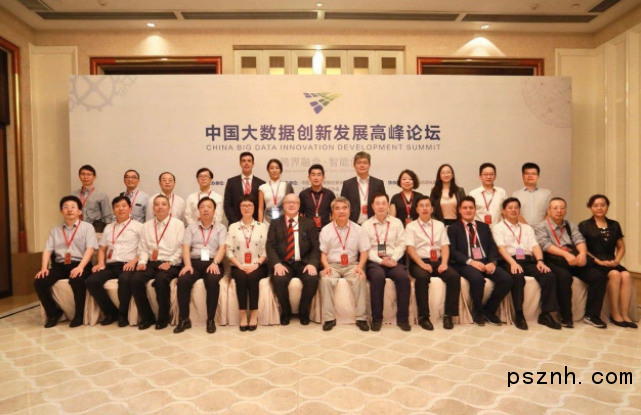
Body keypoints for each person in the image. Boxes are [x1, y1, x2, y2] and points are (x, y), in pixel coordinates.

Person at [534, 197, 608, 329]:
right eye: (555, 208)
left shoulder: (570, 225)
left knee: (599, 277)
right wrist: (565, 254)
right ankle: (566, 316)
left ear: (565, 210)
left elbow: (579, 240)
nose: (559, 211)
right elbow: (545, 245)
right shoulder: (541, 226)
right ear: (549, 211)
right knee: (564, 277)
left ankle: (592, 315)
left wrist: (582, 254)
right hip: (553, 259)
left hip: (573, 259)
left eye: (562, 208)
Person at [493, 197, 560, 330]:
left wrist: (540, 261)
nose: (513, 210)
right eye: (510, 208)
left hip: (528, 260)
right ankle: (519, 314)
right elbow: (501, 248)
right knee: (518, 276)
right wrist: (513, 263)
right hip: (509, 261)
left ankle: (545, 314)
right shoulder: (498, 228)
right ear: (503, 211)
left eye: (516, 207)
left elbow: (535, 246)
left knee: (549, 275)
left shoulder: (527, 228)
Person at [447, 196, 512, 326]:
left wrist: (492, 262)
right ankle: (477, 311)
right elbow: (453, 251)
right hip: (465, 263)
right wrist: (471, 262)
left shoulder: (484, 227)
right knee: (477, 279)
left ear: (475, 209)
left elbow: (492, 246)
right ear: (459, 210)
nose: (468, 210)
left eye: (471, 207)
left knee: (506, 279)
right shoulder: (453, 228)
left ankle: (489, 310)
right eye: (465, 208)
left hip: (486, 261)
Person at [35, 196, 98, 328]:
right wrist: (44, 268)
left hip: (80, 264)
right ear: (61, 211)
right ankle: (53, 313)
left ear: (79, 211)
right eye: (66, 207)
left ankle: (79, 315)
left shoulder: (87, 228)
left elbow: (90, 249)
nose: (69, 210)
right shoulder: (55, 230)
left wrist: (80, 267)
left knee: (77, 279)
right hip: (60, 265)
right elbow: (47, 250)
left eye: (73, 207)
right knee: (40, 281)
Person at [579, 195, 636, 328]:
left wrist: (617, 260)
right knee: (615, 274)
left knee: (626, 275)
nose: (599, 208)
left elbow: (621, 247)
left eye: (603, 205)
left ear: (607, 207)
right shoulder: (584, 225)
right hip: (594, 262)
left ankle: (625, 314)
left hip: (611, 261)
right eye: (595, 205)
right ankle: (614, 314)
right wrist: (598, 261)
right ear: (590, 207)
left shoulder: (614, 225)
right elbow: (582, 248)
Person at [86, 196, 143, 327]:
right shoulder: (108, 228)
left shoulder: (139, 227)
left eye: (124, 206)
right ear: (113, 210)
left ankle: (123, 315)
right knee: (91, 281)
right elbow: (102, 249)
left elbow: (144, 248)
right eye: (117, 206)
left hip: (129, 264)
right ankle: (110, 313)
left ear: (130, 209)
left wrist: (134, 262)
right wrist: (101, 263)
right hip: (111, 265)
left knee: (124, 280)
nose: (120, 209)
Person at [405, 196, 460, 330]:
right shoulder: (411, 226)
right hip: (420, 261)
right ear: (417, 209)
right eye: (421, 206)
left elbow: (445, 246)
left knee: (454, 276)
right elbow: (410, 249)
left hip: (438, 261)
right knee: (422, 277)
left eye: (427, 205)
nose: (425, 208)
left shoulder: (439, 225)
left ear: (432, 209)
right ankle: (424, 317)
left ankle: (448, 315)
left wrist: (444, 263)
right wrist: (422, 264)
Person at [174, 197, 227, 334]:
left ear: (214, 210)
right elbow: (186, 247)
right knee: (183, 280)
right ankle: (184, 319)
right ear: (198, 210)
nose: (206, 210)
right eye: (202, 207)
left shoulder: (221, 228)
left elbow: (222, 248)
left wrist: (215, 263)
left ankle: (210, 319)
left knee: (213, 280)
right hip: (194, 263)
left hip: (212, 262)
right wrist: (187, 265)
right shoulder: (191, 228)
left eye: (209, 207)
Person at [132, 194, 185, 330]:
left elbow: (181, 249)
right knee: (136, 279)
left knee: (161, 280)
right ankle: (147, 317)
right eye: (157, 205)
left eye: (163, 204)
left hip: (171, 263)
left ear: (169, 207)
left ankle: (163, 318)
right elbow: (143, 248)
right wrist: (142, 262)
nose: (160, 207)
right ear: (153, 208)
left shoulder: (178, 224)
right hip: (152, 262)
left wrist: (170, 262)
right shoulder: (146, 226)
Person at [360, 192, 411, 331]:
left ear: (388, 205)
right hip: (375, 262)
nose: (381, 206)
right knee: (377, 277)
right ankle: (376, 319)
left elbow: (401, 244)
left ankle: (403, 319)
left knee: (403, 277)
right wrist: (380, 261)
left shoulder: (397, 223)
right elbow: (366, 249)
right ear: (372, 206)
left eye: (384, 203)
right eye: (377, 203)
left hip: (394, 260)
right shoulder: (366, 225)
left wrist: (393, 258)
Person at [267, 193, 320, 326]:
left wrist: (312, 264)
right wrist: (277, 264)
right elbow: (270, 246)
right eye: (288, 202)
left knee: (312, 279)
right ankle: (286, 312)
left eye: (294, 202)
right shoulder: (275, 223)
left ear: (299, 205)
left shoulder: (309, 223)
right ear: (283, 205)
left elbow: (316, 247)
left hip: (303, 263)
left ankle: (303, 311)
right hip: (284, 263)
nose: (291, 205)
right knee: (279, 279)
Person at [319, 197, 370, 332]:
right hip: (332, 265)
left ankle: (361, 318)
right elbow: (323, 253)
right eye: (337, 208)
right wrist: (326, 267)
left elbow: (364, 251)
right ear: (333, 212)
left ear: (349, 210)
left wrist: (360, 267)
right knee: (325, 280)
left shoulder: (358, 229)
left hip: (352, 265)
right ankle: (329, 318)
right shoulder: (326, 230)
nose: (341, 211)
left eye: (344, 208)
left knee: (360, 278)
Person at [226, 195, 269, 331]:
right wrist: (240, 266)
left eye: (249, 205)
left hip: (259, 265)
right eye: (243, 205)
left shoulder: (262, 227)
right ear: (239, 208)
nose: (247, 208)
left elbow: (266, 250)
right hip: (238, 265)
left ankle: (254, 314)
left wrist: (256, 265)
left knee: (252, 277)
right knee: (241, 277)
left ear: (254, 208)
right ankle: (243, 315)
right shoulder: (233, 227)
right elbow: (228, 250)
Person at [340, 152, 386, 224]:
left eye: (365, 163)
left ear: (369, 165)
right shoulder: (347, 184)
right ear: (354, 165)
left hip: (374, 224)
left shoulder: (378, 183)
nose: (362, 165)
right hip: (353, 224)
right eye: (359, 163)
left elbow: (384, 204)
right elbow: (342, 206)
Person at [223, 152, 266, 225]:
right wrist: (237, 223)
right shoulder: (231, 182)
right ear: (240, 164)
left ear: (253, 164)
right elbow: (227, 205)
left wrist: (256, 224)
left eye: (249, 161)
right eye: (243, 161)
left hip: (255, 225)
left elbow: (262, 207)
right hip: (235, 225)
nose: (246, 163)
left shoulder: (261, 184)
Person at [73, 164, 112, 231]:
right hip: (77, 227)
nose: (85, 177)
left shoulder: (101, 195)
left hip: (95, 228)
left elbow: (107, 217)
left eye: (89, 174)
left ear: (94, 177)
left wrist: (108, 232)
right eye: (83, 174)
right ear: (79, 176)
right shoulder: (73, 195)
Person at [468, 163, 507, 227]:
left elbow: (506, 212)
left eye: (491, 174)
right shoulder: (473, 194)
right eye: (485, 174)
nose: (488, 177)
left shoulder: (502, 192)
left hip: (499, 229)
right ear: (480, 176)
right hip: (479, 229)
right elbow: (469, 213)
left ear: (495, 176)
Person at [258, 159, 294, 225]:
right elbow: (261, 208)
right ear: (268, 170)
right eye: (271, 168)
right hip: (267, 220)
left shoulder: (287, 186)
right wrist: (260, 225)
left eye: (277, 168)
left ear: (280, 170)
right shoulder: (262, 187)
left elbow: (291, 205)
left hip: (284, 220)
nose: (274, 170)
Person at [299, 164, 336, 229]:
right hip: (308, 229)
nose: (316, 178)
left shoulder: (330, 194)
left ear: (323, 178)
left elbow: (334, 213)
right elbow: (301, 214)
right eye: (313, 175)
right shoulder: (303, 194)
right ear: (309, 177)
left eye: (319, 175)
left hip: (326, 229)